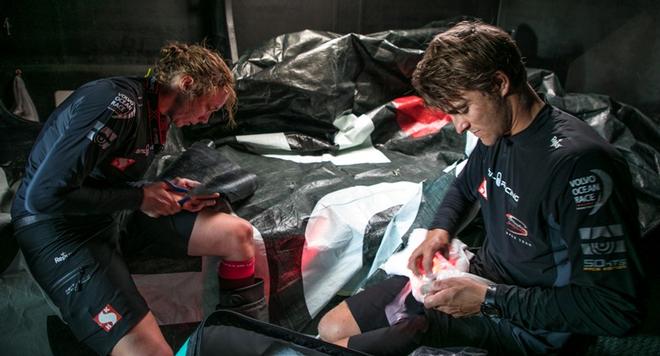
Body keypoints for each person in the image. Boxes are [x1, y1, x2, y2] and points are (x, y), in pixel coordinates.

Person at [317, 21, 645, 355]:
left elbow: (616, 309)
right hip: (478, 277)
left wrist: (489, 300)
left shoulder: (581, 168)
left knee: (352, 347)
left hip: (528, 326)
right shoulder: (497, 133)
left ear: (500, 83)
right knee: (330, 328)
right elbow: (464, 185)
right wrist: (438, 232)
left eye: (463, 110)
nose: (460, 126)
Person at [11, 42, 266, 356]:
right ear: (186, 83)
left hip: (110, 213)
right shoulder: (117, 103)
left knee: (237, 234)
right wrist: (141, 197)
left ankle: (238, 345)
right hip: (59, 229)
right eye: (208, 108)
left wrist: (169, 191)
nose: (205, 119)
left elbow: (107, 176)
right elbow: (43, 196)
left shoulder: (154, 115)